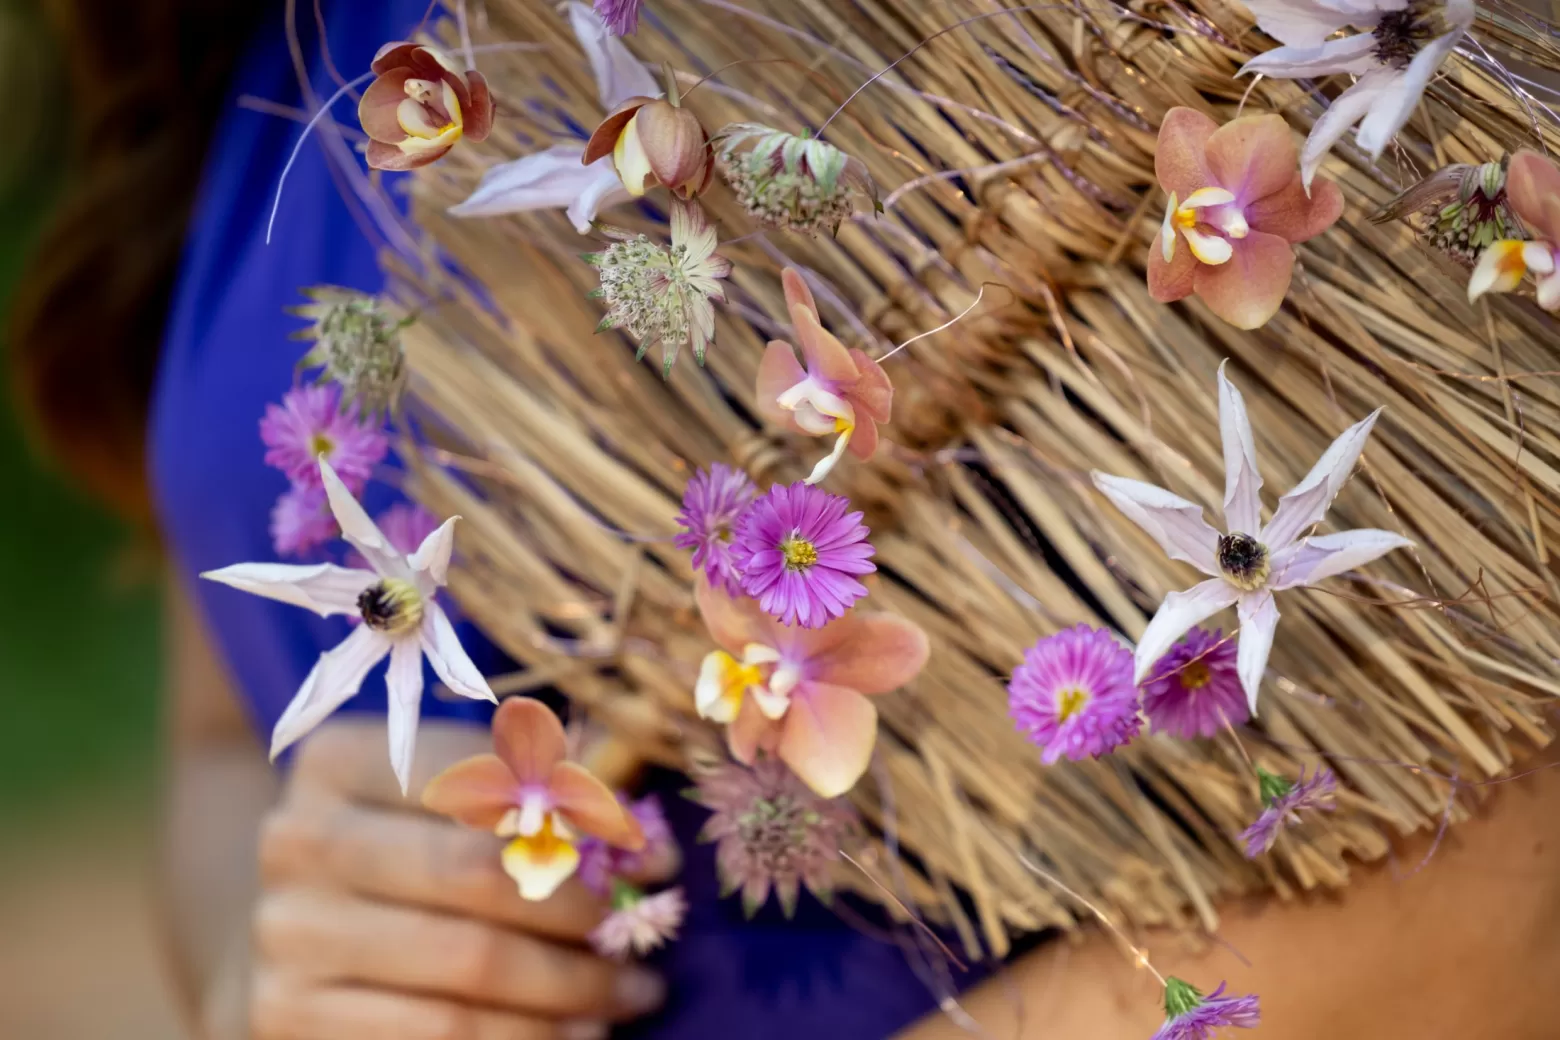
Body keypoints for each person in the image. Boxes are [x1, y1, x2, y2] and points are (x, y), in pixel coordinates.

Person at [13, 1, 1560, 1038]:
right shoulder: (275, 39)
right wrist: (264, 976)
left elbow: (1516, 884)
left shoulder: (1185, 59)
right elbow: (234, 734)